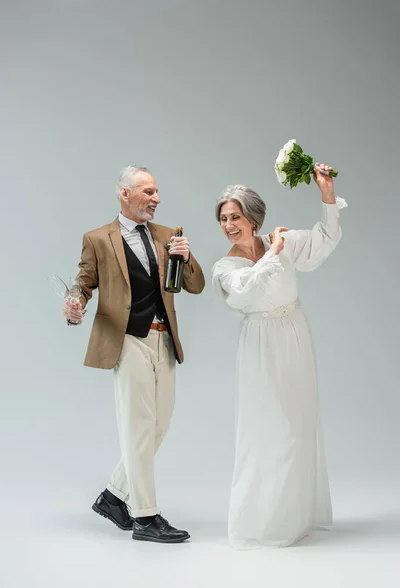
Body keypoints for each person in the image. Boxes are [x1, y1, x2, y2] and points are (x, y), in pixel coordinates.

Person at [64, 165, 205, 543]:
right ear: (125, 194)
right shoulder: (97, 239)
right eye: (148, 191)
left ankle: (113, 496)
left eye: (157, 191)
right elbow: (83, 282)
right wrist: (74, 303)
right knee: (139, 427)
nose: (156, 198)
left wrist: (187, 256)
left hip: (165, 339)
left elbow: (195, 285)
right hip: (127, 339)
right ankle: (145, 516)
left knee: (159, 426)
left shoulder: (167, 234)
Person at [211, 163, 347, 548]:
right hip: (260, 345)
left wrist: (326, 193)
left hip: (295, 337)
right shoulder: (226, 266)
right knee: (267, 431)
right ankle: (262, 522)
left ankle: (295, 517)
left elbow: (325, 236)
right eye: (223, 218)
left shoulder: (280, 241)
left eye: (235, 216)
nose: (228, 224)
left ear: (252, 217)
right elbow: (244, 292)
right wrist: (271, 253)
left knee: (299, 426)